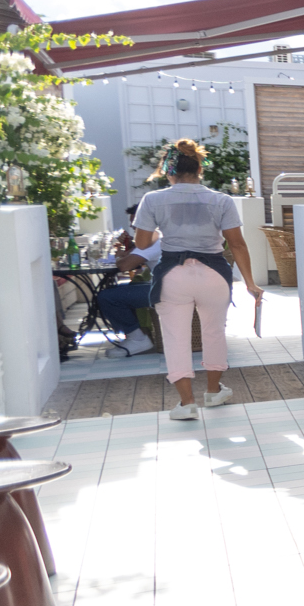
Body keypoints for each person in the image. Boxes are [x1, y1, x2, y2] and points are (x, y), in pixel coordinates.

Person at [131, 140, 262, 421]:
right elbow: (237, 244)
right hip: (213, 274)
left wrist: (161, 230)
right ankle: (213, 392)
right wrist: (250, 283)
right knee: (214, 332)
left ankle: (186, 402)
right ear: (199, 168)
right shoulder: (221, 200)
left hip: (173, 275)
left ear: (169, 171)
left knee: (176, 337)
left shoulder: (153, 201)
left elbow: (141, 244)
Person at [85, 229, 157, 354]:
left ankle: (137, 339)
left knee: (107, 297)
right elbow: (131, 255)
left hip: (168, 290)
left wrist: (118, 256)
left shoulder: (153, 241)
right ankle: (134, 334)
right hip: (172, 285)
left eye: (136, 225)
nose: (134, 229)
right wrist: (127, 248)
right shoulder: (160, 237)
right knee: (122, 289)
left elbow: (124, 265)